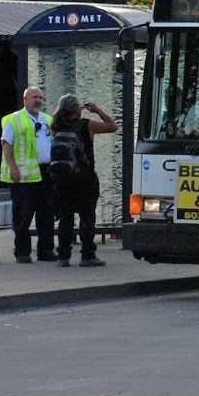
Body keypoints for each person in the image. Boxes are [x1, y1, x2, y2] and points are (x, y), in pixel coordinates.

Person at [49, 94, 117, 268]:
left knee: (65, 219)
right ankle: (87, 256)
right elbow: (112, 126)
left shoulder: (56, 126)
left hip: (63, 181)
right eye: (79, 106)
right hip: (84, 179)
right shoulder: (86, 125)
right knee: (87, 217)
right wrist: (96, 110)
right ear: (76, 109)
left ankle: (63, 257)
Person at [0, 87, 57, 263]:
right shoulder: (15, 119)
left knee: (46, 214)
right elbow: (6, 144)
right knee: (23, 216)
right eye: (34, 97)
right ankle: (22, 252)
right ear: (25, 100)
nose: (38, 100)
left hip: (45, 173)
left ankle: (46, 251)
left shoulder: (47, 119)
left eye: (40, 97)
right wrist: (13, 167)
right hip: (23, 176)